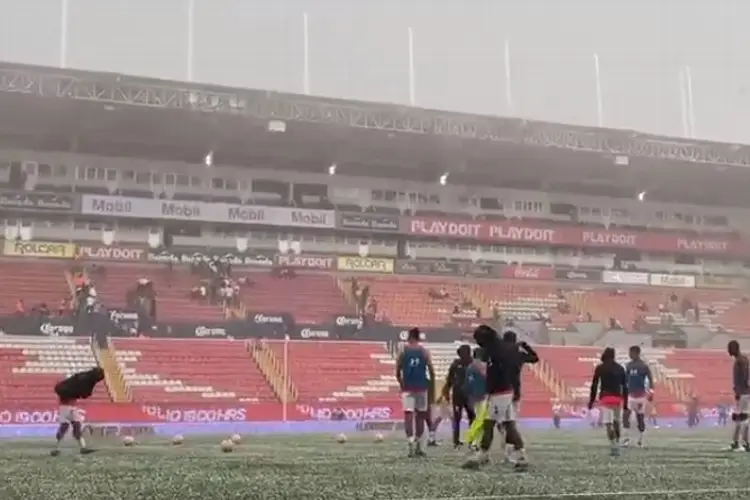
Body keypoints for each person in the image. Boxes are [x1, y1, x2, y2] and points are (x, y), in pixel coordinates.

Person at [463, 325, 528, 471]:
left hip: (500, 391)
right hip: (504, 391)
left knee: (488, 423)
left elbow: (501, 370)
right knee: (509, 425)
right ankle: (521, 455)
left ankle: (482, 455)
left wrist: (492, 388)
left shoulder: (496, 350)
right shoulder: (496, 348)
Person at [396, 327, 434, 457]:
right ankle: (419, 444)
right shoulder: (424, 352)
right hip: (421, 387)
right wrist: (431, 387)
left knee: (408, 414)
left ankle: (410, 441)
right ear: (418, 337)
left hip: (408, 387)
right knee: (420, 416)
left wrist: (401, 383)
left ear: (409, 337)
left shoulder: (403, 350)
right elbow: (431, 371)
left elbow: (397, 370)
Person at [50, 367, 106, 456]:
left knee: (76, 426)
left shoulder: (82, 378)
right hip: (66, 406)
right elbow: (84, 393)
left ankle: (82, 448)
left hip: (70, 405)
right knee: (65, 427)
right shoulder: (85, 380)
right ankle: (56, 448)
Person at [588, 347, 628, 456]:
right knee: (616, 422)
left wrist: (591, 401)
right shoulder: (620, 368)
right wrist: (625, 403)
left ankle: (613, 445)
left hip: (606, 397)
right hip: (617, 398)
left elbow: (594, 385)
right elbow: (625, 386)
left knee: (608, 423)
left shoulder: (600, 368)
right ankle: (618, 442)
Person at [441, 344, 476, 448]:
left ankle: (469, 440)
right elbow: (449, 379)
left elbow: (449, 380)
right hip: (460, 394)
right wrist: (446, 392)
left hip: (468, 394)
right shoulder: (456, 364)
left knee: (470, 417)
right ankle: (458, 441)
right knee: (459, 418)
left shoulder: (472, 364)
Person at [622, 345, 654, 448]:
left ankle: (641, 440)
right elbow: (625, 380)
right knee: (626, 416)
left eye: (631, 353)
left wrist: (651, 392)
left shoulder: (643, 366)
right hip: (630, 395)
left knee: (640, 418)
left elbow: (650, 379)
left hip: (640, 396)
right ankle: (626, 439)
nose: (629, 355)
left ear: (636, 353)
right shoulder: (628, 365)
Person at [727, 340, 750, 451]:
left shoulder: (741, 361)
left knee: (742, 417)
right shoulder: (741, 360)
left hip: (743, 393)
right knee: (738, 417)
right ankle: (736, 442)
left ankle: (744, 443)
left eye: (730, 348)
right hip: (742, 392)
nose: (728, 351)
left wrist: (740, 391)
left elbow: (744, 377)